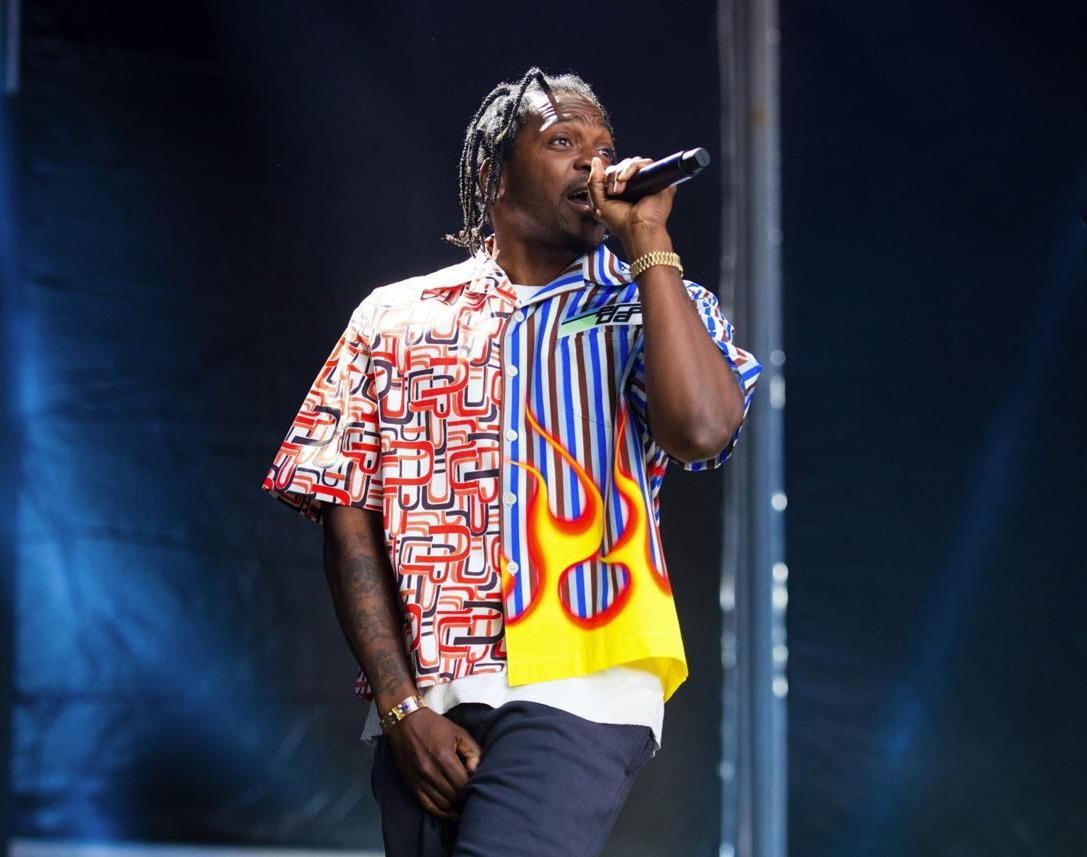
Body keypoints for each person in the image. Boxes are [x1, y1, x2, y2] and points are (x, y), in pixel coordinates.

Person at [263, 67, 760, 857]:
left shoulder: (652, 303)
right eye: (563, 141)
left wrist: (651, 244)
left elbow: (702, 429)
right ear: (495, 173)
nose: (593, 163)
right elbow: (347, 516)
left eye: (605, 148)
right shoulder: (394, 317)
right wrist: (399, 704)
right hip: (427, 698)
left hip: (585, 680)